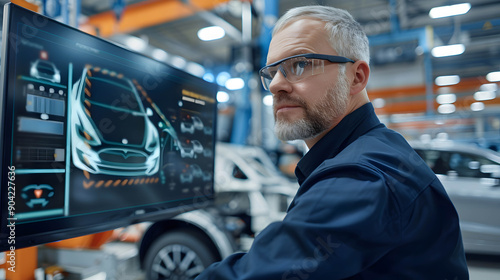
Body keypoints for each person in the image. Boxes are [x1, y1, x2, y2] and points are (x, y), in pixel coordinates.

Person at [196, 5, 469, 280]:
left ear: (357, 77)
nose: (277, 84)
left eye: (300, 64)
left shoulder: (363, 178)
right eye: (272, 72)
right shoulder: (376, 149)